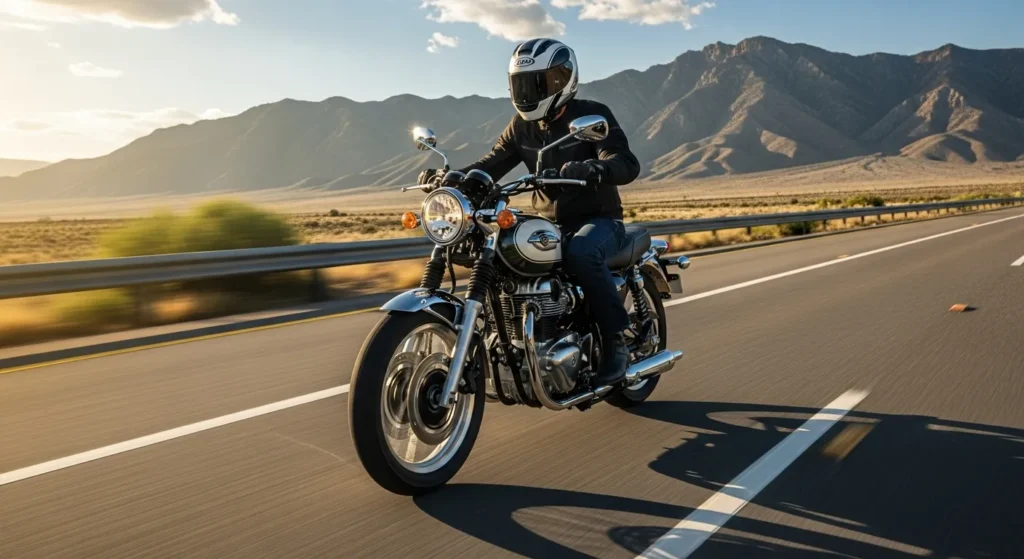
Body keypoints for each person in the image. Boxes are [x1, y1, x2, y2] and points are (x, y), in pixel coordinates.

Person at [417, 38, 641, 385]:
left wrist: (595, 169)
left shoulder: (591, 115)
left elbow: (625, 161)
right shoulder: (520, 127)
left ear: (560, 80)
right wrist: (453, 179)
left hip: (598, 221)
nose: (527, 92)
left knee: (581, 253)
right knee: (500, 253)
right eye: (521, 83)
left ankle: (615, 342)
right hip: (547, 224)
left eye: (536, 83)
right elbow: (491, 163)